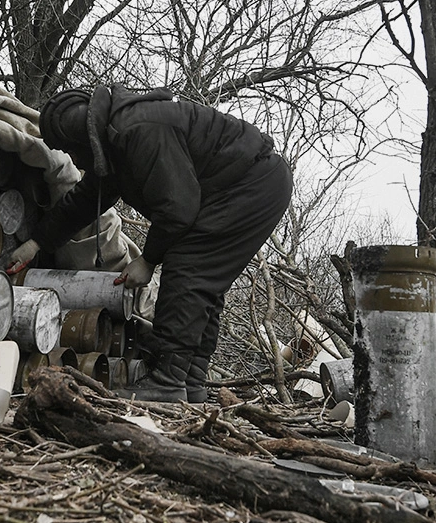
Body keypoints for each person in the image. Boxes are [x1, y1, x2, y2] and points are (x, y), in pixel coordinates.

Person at [25, 84, 293, 403]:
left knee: (189, 269)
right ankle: (189, 381)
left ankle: (167, 380)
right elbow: (84, 200)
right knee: (203, 283)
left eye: (69, 150)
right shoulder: (116, 142)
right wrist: (36, 242)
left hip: (251, 185)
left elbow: (178, 208)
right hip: (251, 185)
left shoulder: (138, 129)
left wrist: (148, 260)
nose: (73, 159)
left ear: (80, 139)